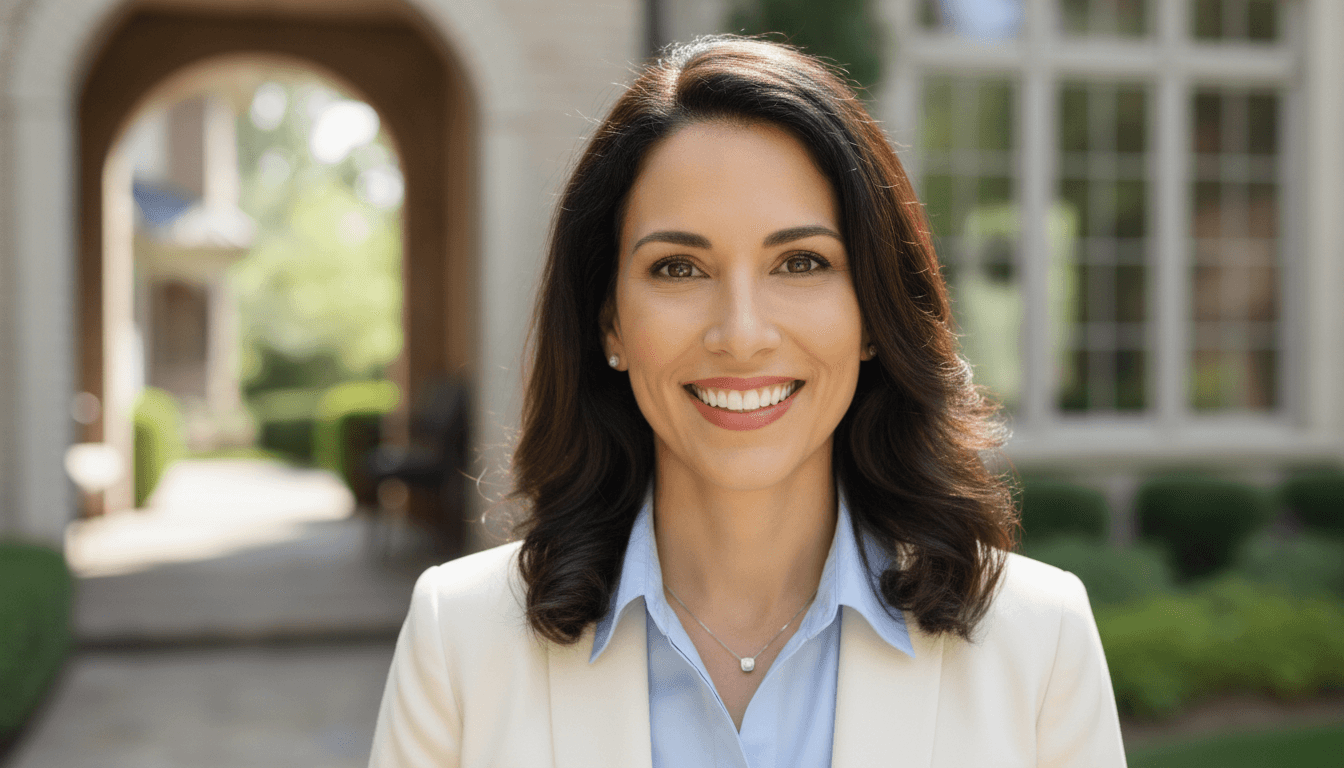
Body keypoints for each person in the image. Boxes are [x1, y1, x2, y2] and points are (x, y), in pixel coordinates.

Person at [368, 35, 1126, 768]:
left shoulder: (1039, 641)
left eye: (800, 262)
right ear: (610, 323)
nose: (741, 333)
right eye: (677, 268)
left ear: (872, 313)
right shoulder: (461, 638)